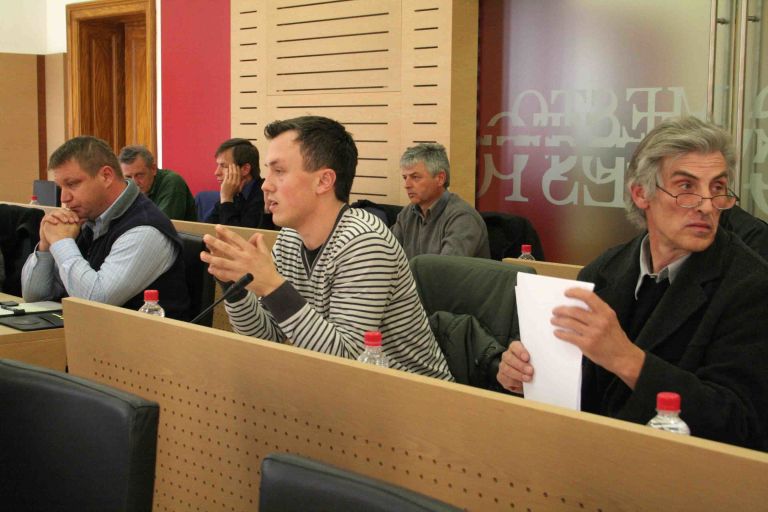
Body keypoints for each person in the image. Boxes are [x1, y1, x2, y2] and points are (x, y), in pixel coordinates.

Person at [497, 116, 768, 451]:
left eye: (717, 188)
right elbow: (582, 392)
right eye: (686, 187)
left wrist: (626, 358)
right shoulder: (603, 270)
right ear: (641, 194)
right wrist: (527, 374)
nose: (707, 206)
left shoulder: (751, 285)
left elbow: (741, 424)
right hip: (591, 456)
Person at [201, 116, 452, 380]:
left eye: (279, 171)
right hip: (344, 390)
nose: (266, 184)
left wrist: (272, 287)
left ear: (324, 181)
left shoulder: (365, 242)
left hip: (414, 393)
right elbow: (266, 336)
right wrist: (234, 287)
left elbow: (347, 362)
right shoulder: (290, 238)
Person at [21, 136, 190, 320]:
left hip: (143, 338)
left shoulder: (145, 230)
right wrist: (46, 246)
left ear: (106, 176)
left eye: (72, 184)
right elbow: (35, 297)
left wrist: (62, 243)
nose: (64, 198)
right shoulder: (87, 218)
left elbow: (95, 300)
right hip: (91, 333)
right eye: (61, 187)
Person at [391, 143, 490, 259]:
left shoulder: (463, 218)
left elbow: (447, 268)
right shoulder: (407, 213)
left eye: (415, 177)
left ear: (440, 178)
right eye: (405, 178)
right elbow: (387, 254)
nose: (407, 185)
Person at [205, 138, 275, 229]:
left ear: (245, 169)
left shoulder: (263, 196)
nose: (216, 172)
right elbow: (206, 229)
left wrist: (226, 199)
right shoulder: (234, 192)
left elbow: (237, 235)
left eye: (223, 166)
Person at [118, 145, 197, 221]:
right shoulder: (124, 186)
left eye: (139, 175)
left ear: (153, 169)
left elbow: (161, 225)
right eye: (128, 177)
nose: (134, 183)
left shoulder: (172, 182)